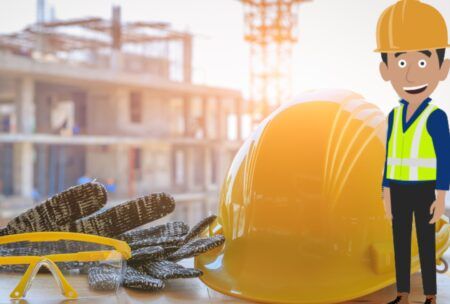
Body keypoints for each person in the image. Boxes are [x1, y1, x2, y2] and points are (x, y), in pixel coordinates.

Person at [375, 1, 450, 304]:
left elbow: (445, 159)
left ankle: (430, 296)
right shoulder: (393, 116)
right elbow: (389, 155)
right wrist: (385, 190)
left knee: (425, 245)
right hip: (399, 189)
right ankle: (403, 294)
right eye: (400, 64)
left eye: (422, 63)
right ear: (386, 70)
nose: (409, 76)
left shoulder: (436, 116)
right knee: (400, 244)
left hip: (424, 190)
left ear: (442, 69)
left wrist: (441, 197)